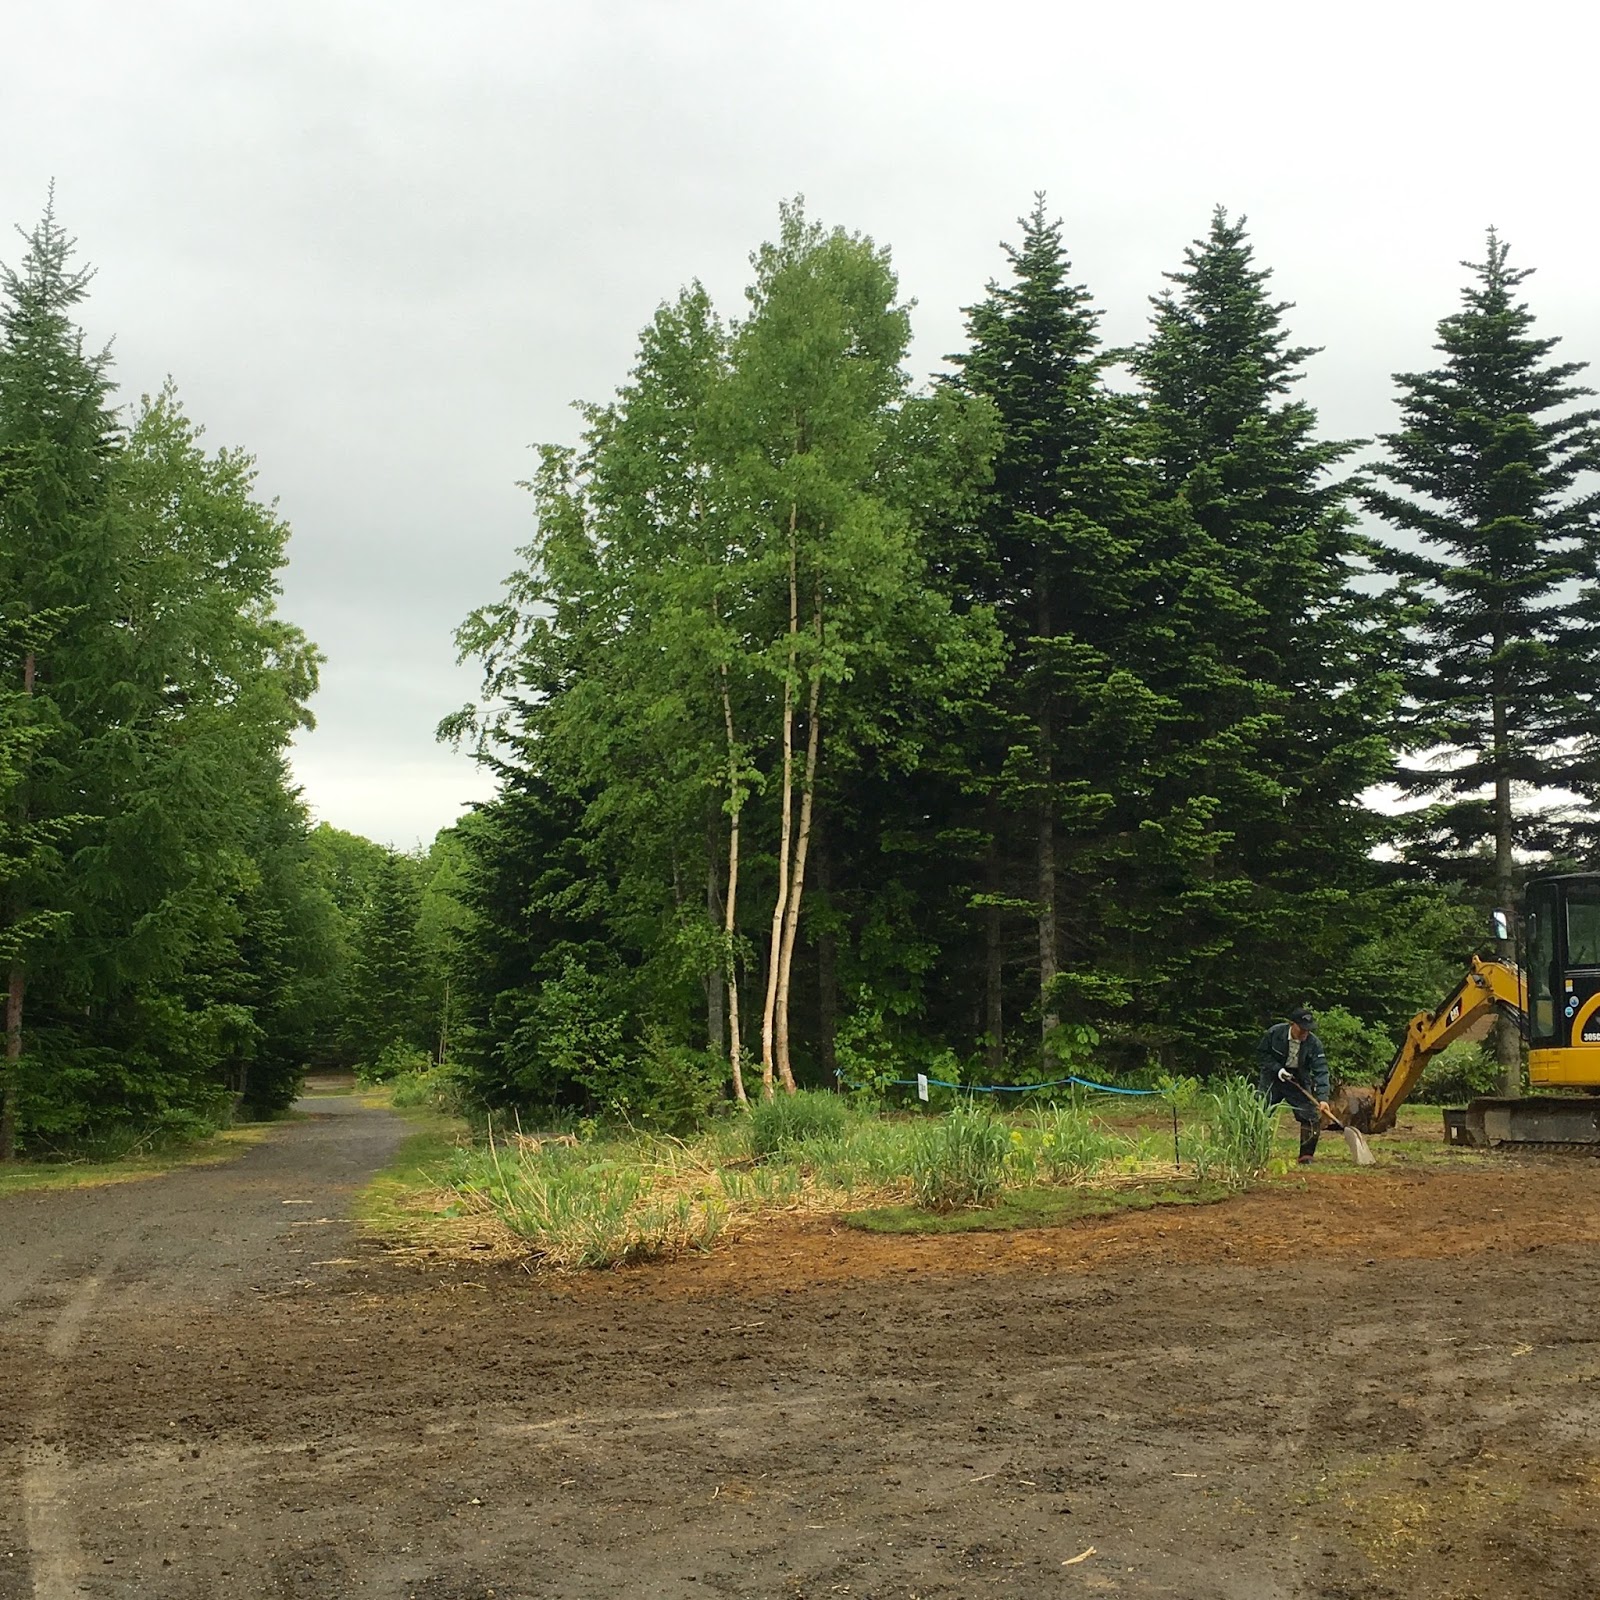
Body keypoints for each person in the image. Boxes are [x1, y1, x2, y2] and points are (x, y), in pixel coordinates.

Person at [1257, 1005, 1331, 1163]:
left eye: (1308, 1029)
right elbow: (1262, 1055)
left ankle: (1306, 1156)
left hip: (1298, 1080)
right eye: (1302, 1028)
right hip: (1272, 1078)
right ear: (1292, 1024)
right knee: (1260, 1112)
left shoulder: (1314, 1043)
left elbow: (1321, 1070)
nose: (1305, 1033)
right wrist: (1278, 1069)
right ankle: (1255, 1150)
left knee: (1310, 1116)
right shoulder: (1274, 1033)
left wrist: (1323, 1098)